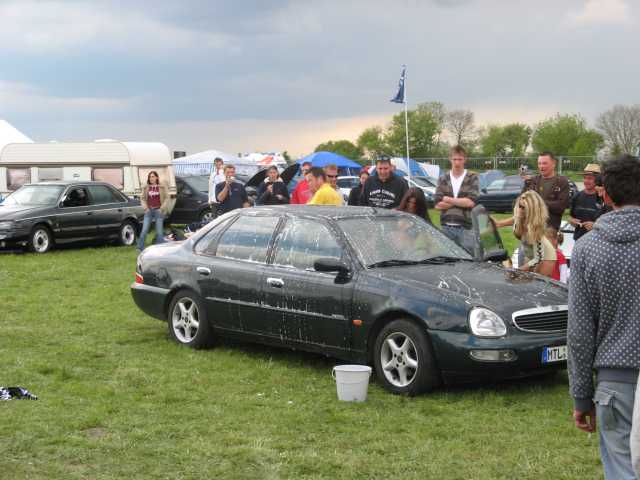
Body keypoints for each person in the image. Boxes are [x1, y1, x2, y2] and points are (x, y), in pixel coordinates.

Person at [568, 154, 640, 480]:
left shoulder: (587, 249)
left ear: (605, 194)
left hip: (616, 384)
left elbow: (580, 332)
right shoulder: (587, 248)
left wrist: (581, 396)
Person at [495, 152, 570, 231]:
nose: (541, 166)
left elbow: (560, 207)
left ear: (553, 163)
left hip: (549, 231)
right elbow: (520, 202)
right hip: (529, 231)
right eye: (539, 163)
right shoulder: (532, 181)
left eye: (545, 163)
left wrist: (535, 202)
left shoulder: (561, 181)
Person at [433, 145, 479, 248]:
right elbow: (437, 205)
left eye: (460, 159)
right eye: (454, 159)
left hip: (466, 228)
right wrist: (461, 202)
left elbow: (471, 202)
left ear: (465, 159)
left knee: (468, 259)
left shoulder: (472, 177)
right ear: (450, 159)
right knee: (448, 262)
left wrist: (447, 199)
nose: (457, 162)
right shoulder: (443, 178)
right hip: (446, 227)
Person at [513, 190, 556, 277]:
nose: (520, 210)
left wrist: (519, 270)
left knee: (537, 286)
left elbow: (539, 258)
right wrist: (499, 224)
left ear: (531, 210)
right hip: (530, 255)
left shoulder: (535, 227)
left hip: (546, 258)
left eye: (523, 207)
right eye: (519, 206)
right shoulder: (520, 219)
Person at [137, 170, 171, 251]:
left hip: (158, 211)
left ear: (156, 177)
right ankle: (140, 247)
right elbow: (142, 198)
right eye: (150, 177)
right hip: (149, 210)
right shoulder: (146, 187)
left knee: (159, 231)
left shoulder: (162, 186)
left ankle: (160, 248)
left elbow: (167, 197)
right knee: (144, 230)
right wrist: (145, 208)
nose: (151, 178)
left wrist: (161, 209)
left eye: (153, 176)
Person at [569, 163, 603, 241]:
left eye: (590, 178)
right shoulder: (577, 196)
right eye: (585, 178)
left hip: (597, 241)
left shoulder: (603, 198)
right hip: (578, 239)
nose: (586, 181)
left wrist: (595, 226)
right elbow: (571, 217)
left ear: (598, 180)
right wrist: (572, 221)